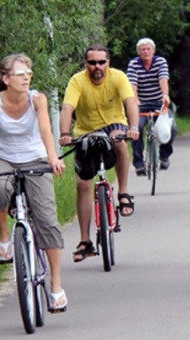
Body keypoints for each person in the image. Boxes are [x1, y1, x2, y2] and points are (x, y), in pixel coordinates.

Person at [0, 53, 68, 311]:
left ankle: (56, 287)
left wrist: (53, 158)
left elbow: (46, 129)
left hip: (35, 159)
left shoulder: (38, 99)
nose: (26, 78)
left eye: (28, 73)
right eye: (19, 74)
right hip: (4, 158)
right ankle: (4, 237)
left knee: (47, 219)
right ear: (5, 79)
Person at [58, 44, 140, 263]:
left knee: (119, 142)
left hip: (114, 125)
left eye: (101, 62)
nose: (97, 67)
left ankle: (123, 193)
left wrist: (133, 127)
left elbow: (130, 101)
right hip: (86, 131)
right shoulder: (77, 81)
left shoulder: (118, 77)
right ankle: (85, 241)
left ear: (108, 63)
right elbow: (67, 108)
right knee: (82, 184)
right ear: (86, 64)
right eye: (92, 62)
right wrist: (65, 133)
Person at [126, 37, 176, 175]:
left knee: (171, 128)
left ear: (153, 51)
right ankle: (139, 163)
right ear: (139, 52)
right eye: (143, 50)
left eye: (148, 49)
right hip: (141, 103)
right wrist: (134, 99)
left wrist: (165, 95)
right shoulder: (134, 64)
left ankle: (164, 156)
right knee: (136, 129)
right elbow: (132, 83)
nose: (146, 52)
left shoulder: (160, 61)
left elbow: (163, 78)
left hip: (159, 102)